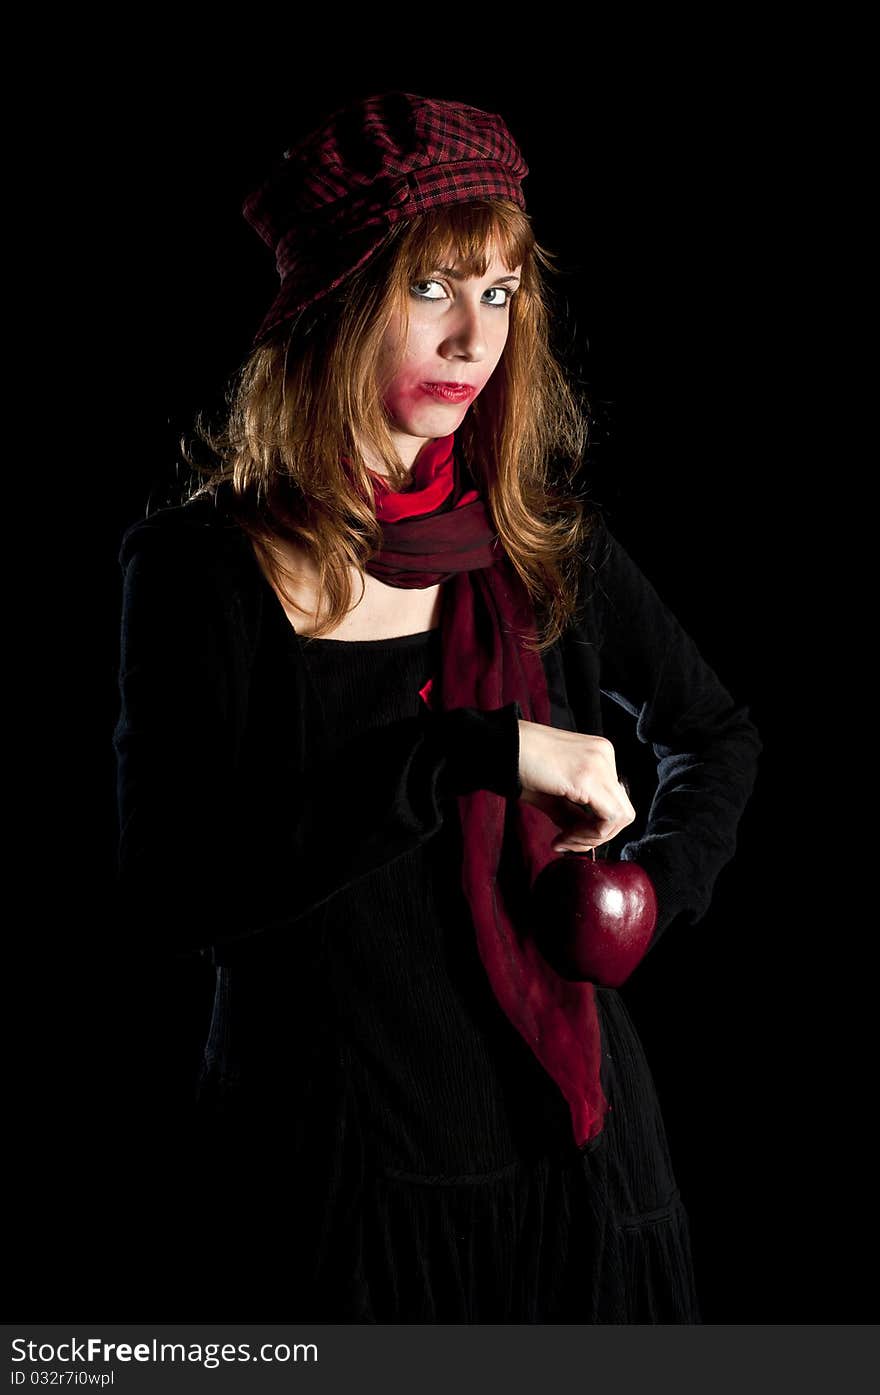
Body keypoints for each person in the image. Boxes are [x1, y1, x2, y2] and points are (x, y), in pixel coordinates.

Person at [112, 92, 762, 1323]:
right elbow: (173, 889)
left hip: (587, 1185)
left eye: (501, 293)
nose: (473, 339)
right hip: (340, 1201)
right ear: (334, 300)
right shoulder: (204, 569)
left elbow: (716, 735)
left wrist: (646, 900)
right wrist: (466, 753)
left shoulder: (535, 546)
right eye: (431, 289)